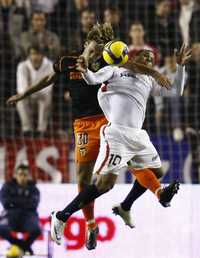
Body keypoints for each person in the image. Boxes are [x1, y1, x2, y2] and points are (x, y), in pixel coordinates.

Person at [50, 43, 191, 244]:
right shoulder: (116, 71)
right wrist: (85, 71)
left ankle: (125, 206)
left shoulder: (149, 82)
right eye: (145, 56)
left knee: (156, 173)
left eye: (152, 59)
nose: (149, 60)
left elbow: (176, 90)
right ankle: (62, 216)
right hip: (116, 134)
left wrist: (180, 67)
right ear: (131, 57)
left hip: (138, 136)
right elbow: (92, 78)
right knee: (104, 184)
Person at [7, 23, 114, 250]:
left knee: (107, 180)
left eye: (100, 51)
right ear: (86, 46)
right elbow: (47, 80)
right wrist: (24, 94)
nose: (96, 55)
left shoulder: (107, 63)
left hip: (107, 122)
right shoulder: (68, 61)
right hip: (83, 126)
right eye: (94, 50)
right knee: (83, 179)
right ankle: (91, 224)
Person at [0, 162, 41, 256]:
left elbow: (33, 204)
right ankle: (23, 246)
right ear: (15, 175)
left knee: (37, 230)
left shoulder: (34, 189)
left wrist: (14, 201)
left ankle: (20, 247)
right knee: (1, 228)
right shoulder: (7, 186)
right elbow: (5, 203)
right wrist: (24, 201)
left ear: (28, 176)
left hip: (28, 216)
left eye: (25, 175)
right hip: (10, 215)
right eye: (20, 174)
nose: (23, 177)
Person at [16, 44, 53, 137]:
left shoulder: (50, 65)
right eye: (32, 54)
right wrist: (36, 88)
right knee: (19, 100)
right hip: (28, 98)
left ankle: (41, 130)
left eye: (37, 54)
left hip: (42, 99)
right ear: (29, 55)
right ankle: (27, 130)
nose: (35, 57)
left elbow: (47, 89)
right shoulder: (22, 66)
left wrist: (30, 89)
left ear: (42, 55)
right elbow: (21, 89)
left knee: (47, 97)